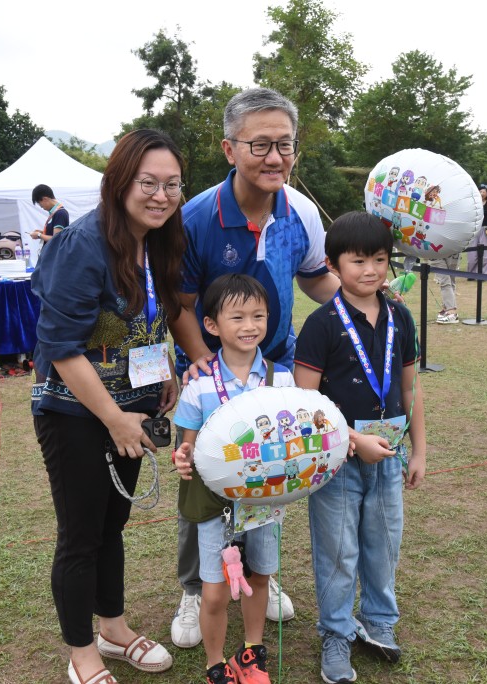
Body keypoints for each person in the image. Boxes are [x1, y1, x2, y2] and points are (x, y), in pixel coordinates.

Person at [168, 87, 341, 647]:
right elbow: (181, 303)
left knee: (270, 470)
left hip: (275, 374)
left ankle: (259, 580)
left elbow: (314, 275)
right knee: (204, 483)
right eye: (260, 144)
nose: (274, 158)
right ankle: (197, 589)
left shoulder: (302, 211)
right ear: (229, 148)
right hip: (208, 377)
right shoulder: (195, 218)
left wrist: (358, 304)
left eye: (285, 145)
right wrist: (201, 363)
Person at [30, 129, 184, 684]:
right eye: (148, 182)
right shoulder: (83, 242)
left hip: (134, 407)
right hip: (75, 411)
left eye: (171, 184)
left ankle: (114, 631)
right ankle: (82, 653)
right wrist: (114, 417)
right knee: (81, 532)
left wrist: (164, 370)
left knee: (113, 522)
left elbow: (152, 314)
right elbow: (60, 346)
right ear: (119, 182)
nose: (161, 195)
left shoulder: (160, 239)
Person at [294, 211, 427, 684]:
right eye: (358, 261)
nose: (370, 270)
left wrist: (420, 450)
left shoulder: (402, 317)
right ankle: (335, 634)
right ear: (333, 265)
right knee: (338, 552)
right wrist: (353, 440)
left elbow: (409, 390)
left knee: (383, 545)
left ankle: (379, 623)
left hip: (389, 456)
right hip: (336, 462)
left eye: (380, 259)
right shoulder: (321, 324)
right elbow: (306, 405)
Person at [172, 273, 293, 684]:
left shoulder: (282, 379)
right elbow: (187, 444)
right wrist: (183, 457)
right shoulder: (199, 384)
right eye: (237, 317)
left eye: (258, 316)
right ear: (211, 325)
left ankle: (251, 652)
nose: (249, 326)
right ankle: (215, 663)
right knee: (214, 589)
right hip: (213, 504)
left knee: (260, 575)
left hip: (264, 501)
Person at [465, 183, 487, 277]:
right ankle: (471, 274)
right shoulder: (473, 202)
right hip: (474, 229)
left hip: (485, 230)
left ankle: (484, 274)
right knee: (472, 254)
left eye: (483, 192)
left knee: (485, 254)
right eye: (480, 191)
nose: (481, 193)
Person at [432, 251, 461, 323]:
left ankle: (451, 311)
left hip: (443, 248)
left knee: (448, 281)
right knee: (448, 281)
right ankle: (448, 309)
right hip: (442, 249)